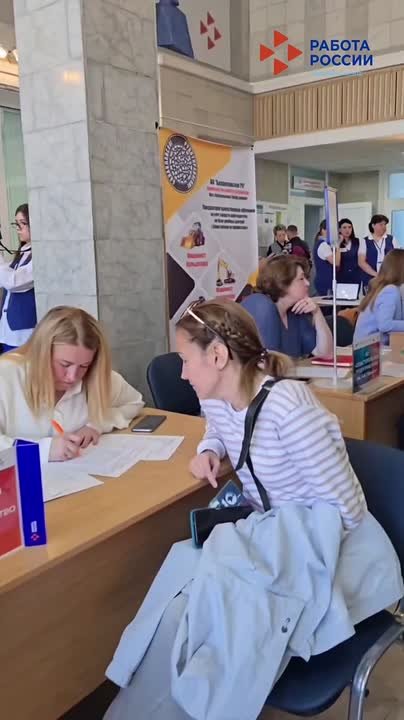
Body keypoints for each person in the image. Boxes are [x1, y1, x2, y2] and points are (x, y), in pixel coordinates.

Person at [104, 299, 402, 720]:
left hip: (326, 546)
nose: (183, 373)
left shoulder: (289, 407)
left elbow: (348, 511)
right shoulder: (218, 399)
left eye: (186, 360)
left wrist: (282, 555)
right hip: (274, 533)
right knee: (176, 609)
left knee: (212, 620)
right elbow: (219, 426)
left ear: (218, 356)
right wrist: (209, 449)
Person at [0, 306, 144, 462]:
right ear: (42, 353)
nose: (72, 377)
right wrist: (42, 450)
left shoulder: (96, 376)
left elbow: (134, 402)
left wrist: (96, 425)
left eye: (84, 366)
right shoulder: (6, 376)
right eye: (65, 364)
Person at [241, 255, 333, 358]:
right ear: (282, 283)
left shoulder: (295, 312)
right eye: (301, 279)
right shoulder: (261, 305)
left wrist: (317, 313)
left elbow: (326, 354)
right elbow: (266, 361)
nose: (307, 283)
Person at [0, 203, 36, 352]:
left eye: (22, 223)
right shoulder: (22, 253)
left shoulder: (38, 255)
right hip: (6, 330)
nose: (18, 228)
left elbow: (14, 282)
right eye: (16, 223)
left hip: (24, 332)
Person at [354, 249, 404, 345]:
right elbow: (385, 325)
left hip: (364, 346)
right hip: (369, 350)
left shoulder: (382, 287)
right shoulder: (390, 290)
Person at [358, 214, 399, 290]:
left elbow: (398, 259)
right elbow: (361, 262)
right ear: (373, 225)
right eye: (381, 224)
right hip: (370, 279)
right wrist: (377, 275)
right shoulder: (365, 241)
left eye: (385, 224)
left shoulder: (392, 239)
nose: (384, 227)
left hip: (389, 279)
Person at [313, 219, 341, 296]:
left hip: (325, 279)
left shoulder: (323, 243)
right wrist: (338, 245)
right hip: (325, 280)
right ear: (324, 230)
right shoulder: (323, 245)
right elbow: (336, 262)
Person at [337, 217, 361, 285]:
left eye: (349, 227)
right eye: (344, 227)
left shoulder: (357, 242)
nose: (347, 230)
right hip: (341, 277)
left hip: (355, 277)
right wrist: (339, 243)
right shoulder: (336, 243)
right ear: (339, 229)